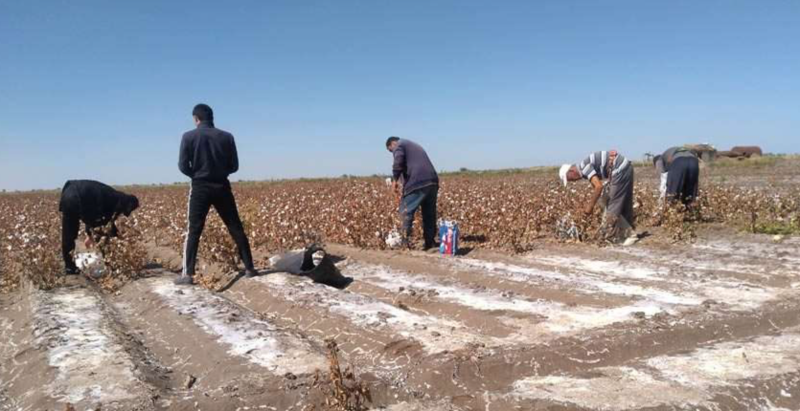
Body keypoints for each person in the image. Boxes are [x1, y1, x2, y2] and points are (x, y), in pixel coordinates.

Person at [175, 104, 258, 285]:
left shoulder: (188, 136)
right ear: (212, 118)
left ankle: (187, 275)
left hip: (200, 187)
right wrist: (220, 173)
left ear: (196, 119)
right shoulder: (227, 137)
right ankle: (250, 268)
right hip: (222, 186)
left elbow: (182, 165)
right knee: (235, 227)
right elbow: (234, 166)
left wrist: (197, 174)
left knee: (194, 230)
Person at [59, 180, 139, 274]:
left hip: (68, 193)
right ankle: (110, 261)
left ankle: (69, 267)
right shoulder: (117, 202)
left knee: (69, 233)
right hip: (80, 197)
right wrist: (117, 239)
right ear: (129, 205)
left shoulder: (113, 195)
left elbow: (93, 216)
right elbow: (105, 226)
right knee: (102, 234)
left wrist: (89, 235)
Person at [559, 150, 639, 246]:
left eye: (570, 179)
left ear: (571, 171)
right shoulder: (585, 169)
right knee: (624, 203)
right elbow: (598, 189)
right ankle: (626, 233)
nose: (573, 181)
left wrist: (589, 207)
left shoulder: (584, 167)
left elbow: (598, 187)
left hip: (619, 169)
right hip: (626, 167)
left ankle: (625, 235)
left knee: (613, 205)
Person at [386, 137, 439, 251]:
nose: (392, 153)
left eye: (391, 151)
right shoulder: (413, 145)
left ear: (392, 144)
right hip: (432, 181)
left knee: (405, 210)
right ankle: (430, 242)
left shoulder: (399, 144)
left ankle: (404, 243)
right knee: (429, 214)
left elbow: (398, 162)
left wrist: (395, 180)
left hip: (418, 181)